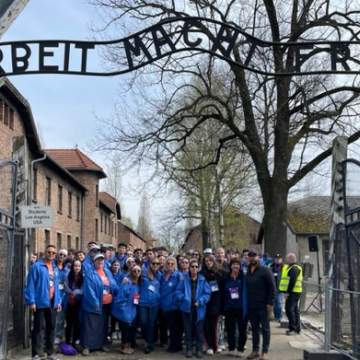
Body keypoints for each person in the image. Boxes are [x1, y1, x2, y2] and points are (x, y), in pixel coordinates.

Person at [24, 244, 62, 360]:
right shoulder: (36, 266)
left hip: (52, 302)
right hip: (40, 302)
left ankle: (50, 353)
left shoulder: (55, 268)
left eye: (53, 253)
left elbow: (57, 286)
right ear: (45, 253)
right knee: (38, 328)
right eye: (49, 252)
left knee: (51, 327)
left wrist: (59, 301)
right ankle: (36, 353)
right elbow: (30, 285)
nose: (51, 254)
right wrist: (31, 301)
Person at [80, 253, 117, 356]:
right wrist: (95, 303)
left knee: (103, 326)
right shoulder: (90, 273)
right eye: (98, 260)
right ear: (94, 262)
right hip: (93, 305)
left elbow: (113, 284)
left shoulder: (107, 272)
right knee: (90, 326)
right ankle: (86, 346)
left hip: (106, 304)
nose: (100, 262)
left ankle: (101, 344)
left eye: (102, 260)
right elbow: (89, 290)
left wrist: (116, 291)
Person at [176, 259, 211, 359]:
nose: (194, 268)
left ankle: (199, 350)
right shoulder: (184, 279)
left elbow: (207, 294)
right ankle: (189, 349)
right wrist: (184, 298)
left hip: (199, 309)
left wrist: (200, 301)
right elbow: (178, 292)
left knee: (199, 331)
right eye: (192, 266)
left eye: (196, 266)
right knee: (188, 330)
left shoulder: (202, 279)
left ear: (198, 268)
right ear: (189, 268)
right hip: (186, 309)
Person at [246, 251, 275, 360]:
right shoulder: (248, 270)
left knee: (265, 329)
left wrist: (270, 303)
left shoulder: (265, 270)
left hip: (263, 305)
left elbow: (272, 287)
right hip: (251, 305)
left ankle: (265, 352)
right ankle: (255, 350)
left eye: (254, 256)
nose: (252, 258)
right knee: (254, 329)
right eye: (250, 256)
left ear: (258, 257)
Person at [112, 265, 142, 355]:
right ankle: (124, 346)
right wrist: (123, 309)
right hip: (124, 310)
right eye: (134, 271)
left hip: (133, 310)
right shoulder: (126, 282)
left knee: (130, 329)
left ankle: (128, 345)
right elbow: (120, 298)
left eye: (138, 271)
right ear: (131, 272)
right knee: (125, 329)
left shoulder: (138, 284)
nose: (137, 273)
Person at [223, 258, 248, 356]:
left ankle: (240, 349)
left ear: (240, 267)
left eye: (237, 265)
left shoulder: (244, 278)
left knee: (242, 330)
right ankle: (231, 348)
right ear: (230, 266)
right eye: (233, 264)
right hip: (229, 308)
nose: (235, 266)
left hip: (241, 308)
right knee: (230, 329)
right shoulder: (226, 278)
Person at [200, 254, 223, 355]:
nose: (208, 263)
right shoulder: (201, 274)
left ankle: (215, 346)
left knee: (214, 326)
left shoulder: (219, 273)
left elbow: (221, 290)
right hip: (205, 303)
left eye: (210, 261)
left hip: (216, 302)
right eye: (206, 261)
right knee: (206, 325)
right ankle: (209, 346)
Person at [160, 256, 183, 353]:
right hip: (164, 305)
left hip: (174, 306)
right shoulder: (162, 275)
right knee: (170, 327)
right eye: (168, 263)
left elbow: (179, 290)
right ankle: (175, 345)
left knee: (175, 327)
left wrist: (175, 302)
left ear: (175, 265)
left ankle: (175, 346)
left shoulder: (178, 275)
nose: (170, 265)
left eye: (172, 264)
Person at [139, 257, 161, 353]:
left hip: (154, 304)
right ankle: (147, 339)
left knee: (152, 324)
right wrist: (126, 279)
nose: (155, 265)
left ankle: (149, 343)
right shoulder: (143, 274)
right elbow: (132, 275)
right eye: (153, 263)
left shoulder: (160, 275)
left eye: (157, 264)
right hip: (143, 303)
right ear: (149, 264)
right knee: (144, 323)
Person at [279, 253, 303, 335]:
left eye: (287, 258)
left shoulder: (294, 268)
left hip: (293, 292)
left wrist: (287, 292)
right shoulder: (291, 267)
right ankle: (297, 328)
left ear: (290, 259)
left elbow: (292, 281)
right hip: (295, 291)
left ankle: (293, 328)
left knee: (289, 310)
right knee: (295, 310)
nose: (286, 260)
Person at [64, 260, 83, 349]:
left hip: (79, 301)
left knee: (77, 322)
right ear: (72, 266)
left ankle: (75, 341)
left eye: (79, 266)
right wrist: (71, 293)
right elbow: (65, 285)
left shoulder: (83, 276)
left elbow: (83, 288)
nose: (77, 267)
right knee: (69, 322)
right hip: (69, 301)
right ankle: (67, 340)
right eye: (75, 266)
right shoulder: (68, 275)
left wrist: (76, 292)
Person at [54, 249, 69, 343]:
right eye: (60, 254)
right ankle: (52, 335)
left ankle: (58, 335)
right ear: (57, 255)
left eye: (64, 255)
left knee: (61, 317)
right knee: (53, 317)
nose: (62, 256)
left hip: (64, 296)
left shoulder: (67, 270)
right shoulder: (53, 267)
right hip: (54, 294)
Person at [271, 254, 284, 322]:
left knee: (279, 302)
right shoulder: (271, 266)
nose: (278, 260)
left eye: (279, 258)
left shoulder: (284, 267)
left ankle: (279, 317)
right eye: (276, 258)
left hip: (280, 288)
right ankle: (276, 316)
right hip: (272, 287)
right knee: (274, 303)